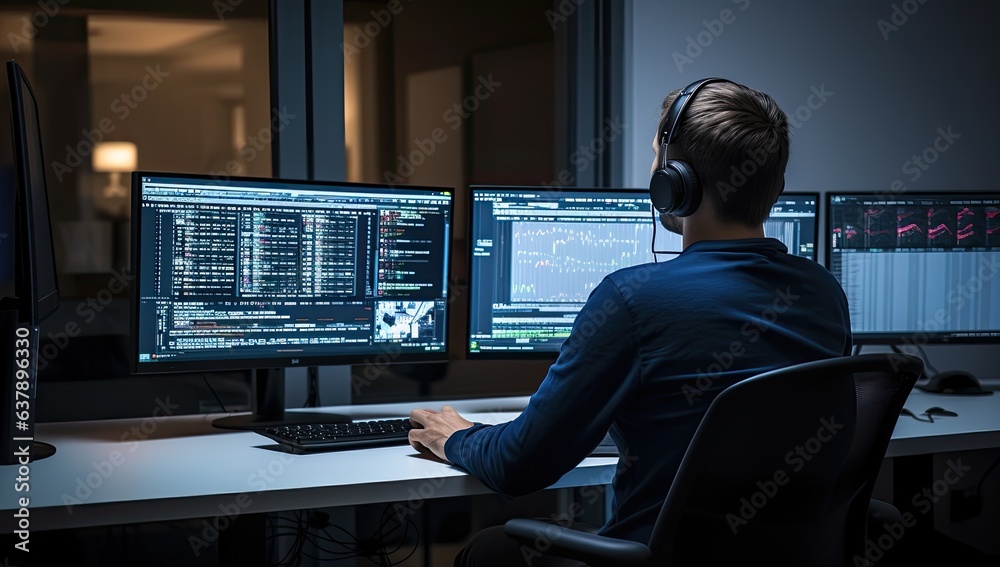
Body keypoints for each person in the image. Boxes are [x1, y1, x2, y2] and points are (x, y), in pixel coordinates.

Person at [408, 79, 852, 566]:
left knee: (490, 551)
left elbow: (519, 466)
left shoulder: (632, 299)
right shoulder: (824, 292)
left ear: (676, 182)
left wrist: (456, 437)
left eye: (656, 156)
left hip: (653, 558)